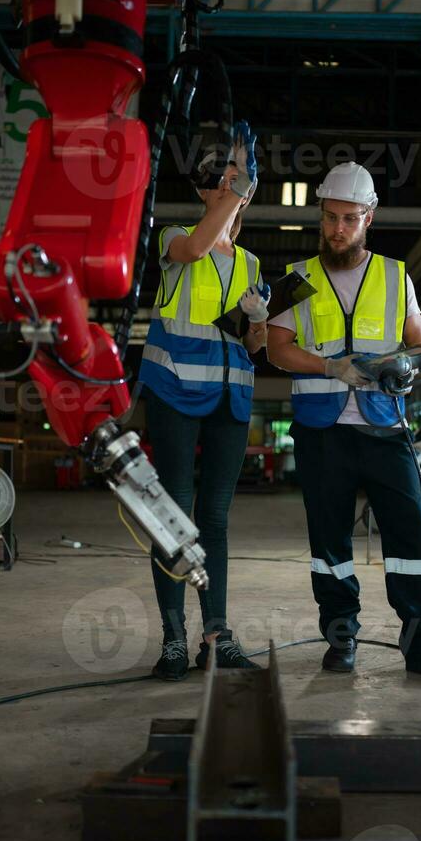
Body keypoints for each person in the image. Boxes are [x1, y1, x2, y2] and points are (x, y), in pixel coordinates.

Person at [267, 162, 421, 684]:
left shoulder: (393, 275)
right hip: (322, 430)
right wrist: (330, 366)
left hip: (385, 427)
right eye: (331, 217)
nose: (339, 228)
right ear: (321, 216)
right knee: (330, 544)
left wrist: (411, 370)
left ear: (369, 218)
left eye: (351, 218)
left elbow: (420, 346)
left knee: (411, 534)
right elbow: (277, 350)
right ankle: (340, 640)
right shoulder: (297, 280)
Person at [139, 121, 270, 680]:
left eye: (239, 180)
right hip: (172, 392)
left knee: (213, 520)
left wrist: (261, 323)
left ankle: (215, 636)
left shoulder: (252, 265)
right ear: (205, 189)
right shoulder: (174, 237)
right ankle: (173, 640)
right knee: (174, 518)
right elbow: (197, 246)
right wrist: (235, 186)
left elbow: (255, 346)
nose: (233, 188)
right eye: (223, 179)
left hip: (230, 403)